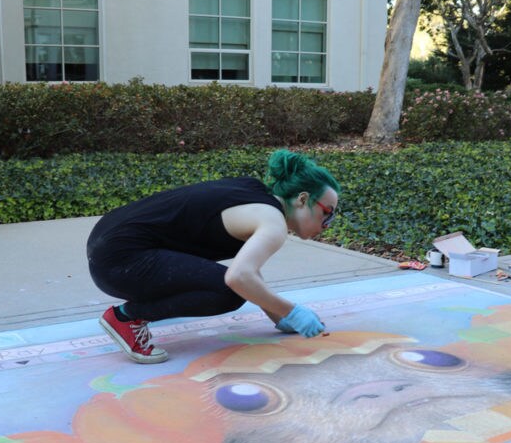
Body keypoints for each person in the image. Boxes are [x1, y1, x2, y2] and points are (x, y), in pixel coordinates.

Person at [86, 149, 340, 363]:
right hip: (122, 260)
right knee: (229, 292)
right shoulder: (273, 222)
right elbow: (239, 278)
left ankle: (129, 313)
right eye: (327, 213)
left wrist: (280, 316)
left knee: (235, 285)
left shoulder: (256, 195)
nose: (328, 223)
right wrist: (293, 312)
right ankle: (126, 317)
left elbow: (250, 272)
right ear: (302, 199)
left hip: (110, 246)